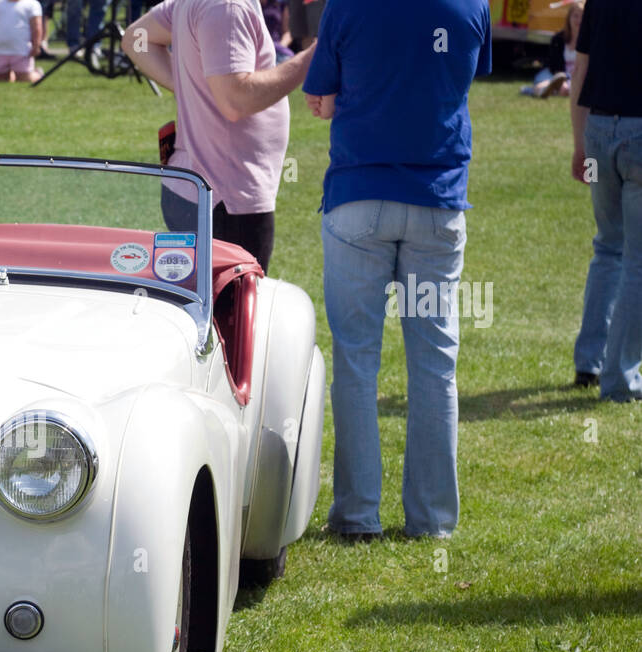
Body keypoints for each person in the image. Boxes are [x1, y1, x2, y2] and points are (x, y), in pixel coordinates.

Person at [302, 0, 491, 541]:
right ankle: (431, 521)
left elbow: (321, 98)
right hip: (437, 202)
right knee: (434, 364)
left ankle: (359, 516)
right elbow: (460, 78)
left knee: (356, 360)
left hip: (359, 199)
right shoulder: (472, 5)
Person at [123, 0, 314, 272]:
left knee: (208, 308)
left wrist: (199, 87)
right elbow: (236, 100)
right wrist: (311, 57)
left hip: (199, 190)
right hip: (226, 197)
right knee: (233, 311)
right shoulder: (228, 6)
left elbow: (136, 38)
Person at [570, 0, 642, 400]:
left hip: (598, 130)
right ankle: (620, 379)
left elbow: (580, 70)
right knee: (636, 260)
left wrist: (578, 143)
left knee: (608, 247)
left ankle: (590, 362)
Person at [520, 0, 581, 98]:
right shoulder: (558, 38)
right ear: (569, 18)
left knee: (567, 89)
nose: (578, 20)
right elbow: (554, 64)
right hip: (556, 73)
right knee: (545, 82)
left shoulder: (590, 40)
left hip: (577, 76)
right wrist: (561, 79)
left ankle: (547, 90)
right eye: (575, 16)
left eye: (582, 16)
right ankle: (543, 90)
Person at [0, 0, 40, 81]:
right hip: (0, 50)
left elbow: (36, 27)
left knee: (24, 79)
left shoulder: (31, 4)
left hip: (22, 50)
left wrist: (36, 45)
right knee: (0, 79)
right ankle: (12, 73)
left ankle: (38, 74)